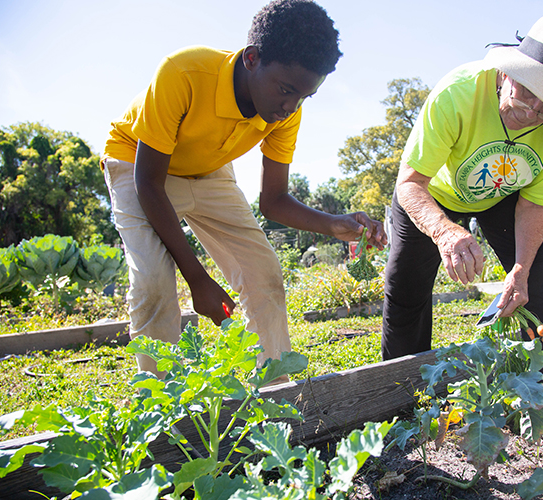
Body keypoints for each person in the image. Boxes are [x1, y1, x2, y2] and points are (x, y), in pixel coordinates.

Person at [102, 0, 386, 376]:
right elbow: (149, 184)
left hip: (210, 171)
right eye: (285, 90)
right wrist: (199, 280)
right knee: (154, 284)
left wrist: (334, 224)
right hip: (140, 164)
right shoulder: (183, 71)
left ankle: (273, 389)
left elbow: (274, 200)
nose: (290, 106)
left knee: (264, 273)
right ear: (252, 58)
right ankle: (160, 409)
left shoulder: (285, 109)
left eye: (303, 96)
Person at [381, 15, 543, 401]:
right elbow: (410, 185)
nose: (530, 112)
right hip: (432, 196)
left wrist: (520, 270)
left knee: (542, 281)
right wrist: (446, 230)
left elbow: (537, 203)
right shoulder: (458, 93)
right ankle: (403, 401)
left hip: (504, 195)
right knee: (407, 291)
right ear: (508, 70)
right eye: (527, 91)